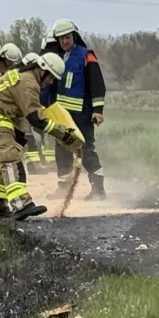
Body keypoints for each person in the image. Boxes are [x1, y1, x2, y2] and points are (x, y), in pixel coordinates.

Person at [0, 52, 79, 221]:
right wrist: (62, 135)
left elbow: (23, 111)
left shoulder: (25, 77)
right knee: (11, 162)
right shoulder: (29, 83)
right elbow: (35, 118)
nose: (50, 82)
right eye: (51, 77)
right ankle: (21, 204)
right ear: (43, 70)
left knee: (1, 167)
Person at [45, 19, 108, 200]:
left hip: (82, 114)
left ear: (74, 36)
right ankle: (63, 188)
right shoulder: (57, 57)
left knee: (86, 150)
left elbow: (97, 83)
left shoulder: (86, 56)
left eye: (67, 37)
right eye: (61, 39)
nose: (64, 41)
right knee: (61, 150)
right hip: (62, 114)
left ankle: (98, 189)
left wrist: (98, 110)